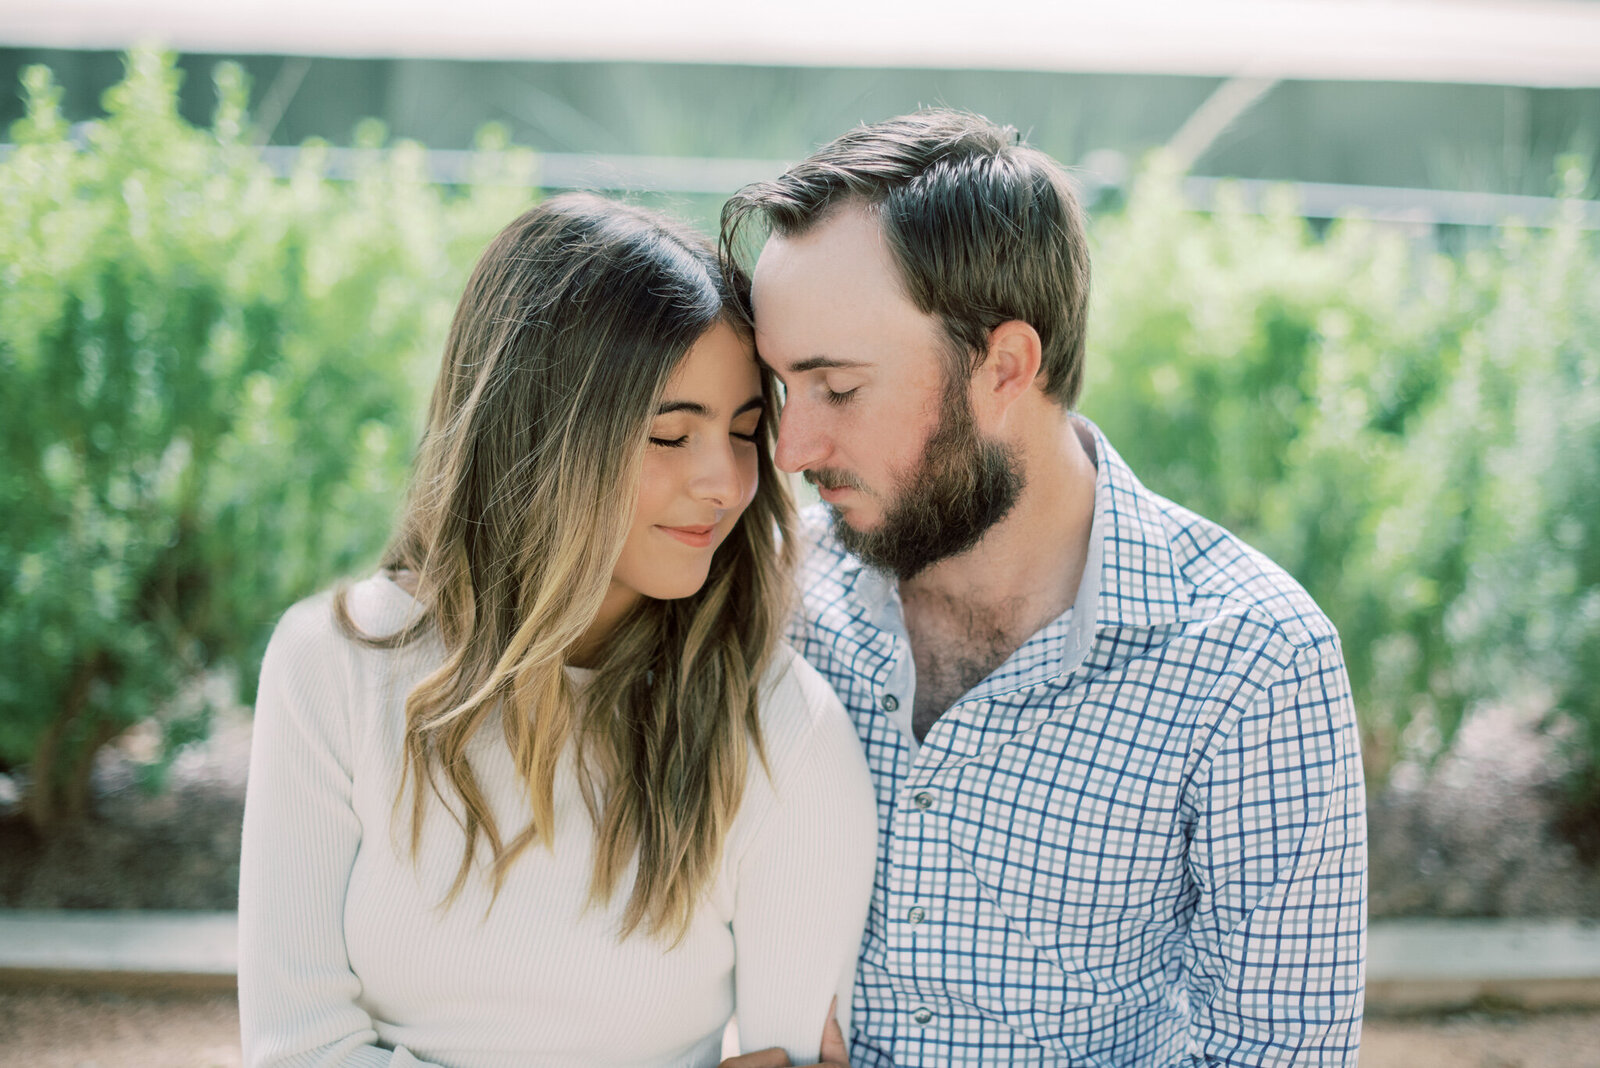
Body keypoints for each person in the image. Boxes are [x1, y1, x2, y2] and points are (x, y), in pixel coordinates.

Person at [717, 111, 1368, 1067]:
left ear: (1005, 366)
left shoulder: (1254, 662)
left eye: (840, 389)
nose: (793, 449)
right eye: (782, 389)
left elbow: (1276, 1056)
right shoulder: (772, 591)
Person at [237, 194, 877, 1068]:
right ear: (538, 435)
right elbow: (296, 1049)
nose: (725, 482)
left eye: (744, 431)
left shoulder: (782, 732)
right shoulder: (332, 666)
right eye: (667, 434)